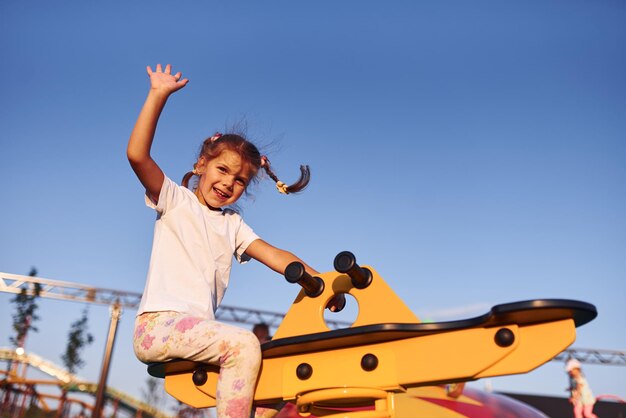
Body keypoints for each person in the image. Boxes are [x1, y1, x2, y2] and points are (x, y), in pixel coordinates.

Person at [128, 64, 342, 418]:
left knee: (272, 378)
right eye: (222, 170)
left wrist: (320, 282)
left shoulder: (232, 224)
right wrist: (158, 95)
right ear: (201, 165)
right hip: (159, 327)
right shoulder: (175, 200)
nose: (229, 183)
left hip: (198, 334)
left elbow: (274, 255)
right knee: (244, 344)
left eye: (240, 180)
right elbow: (137, 155)